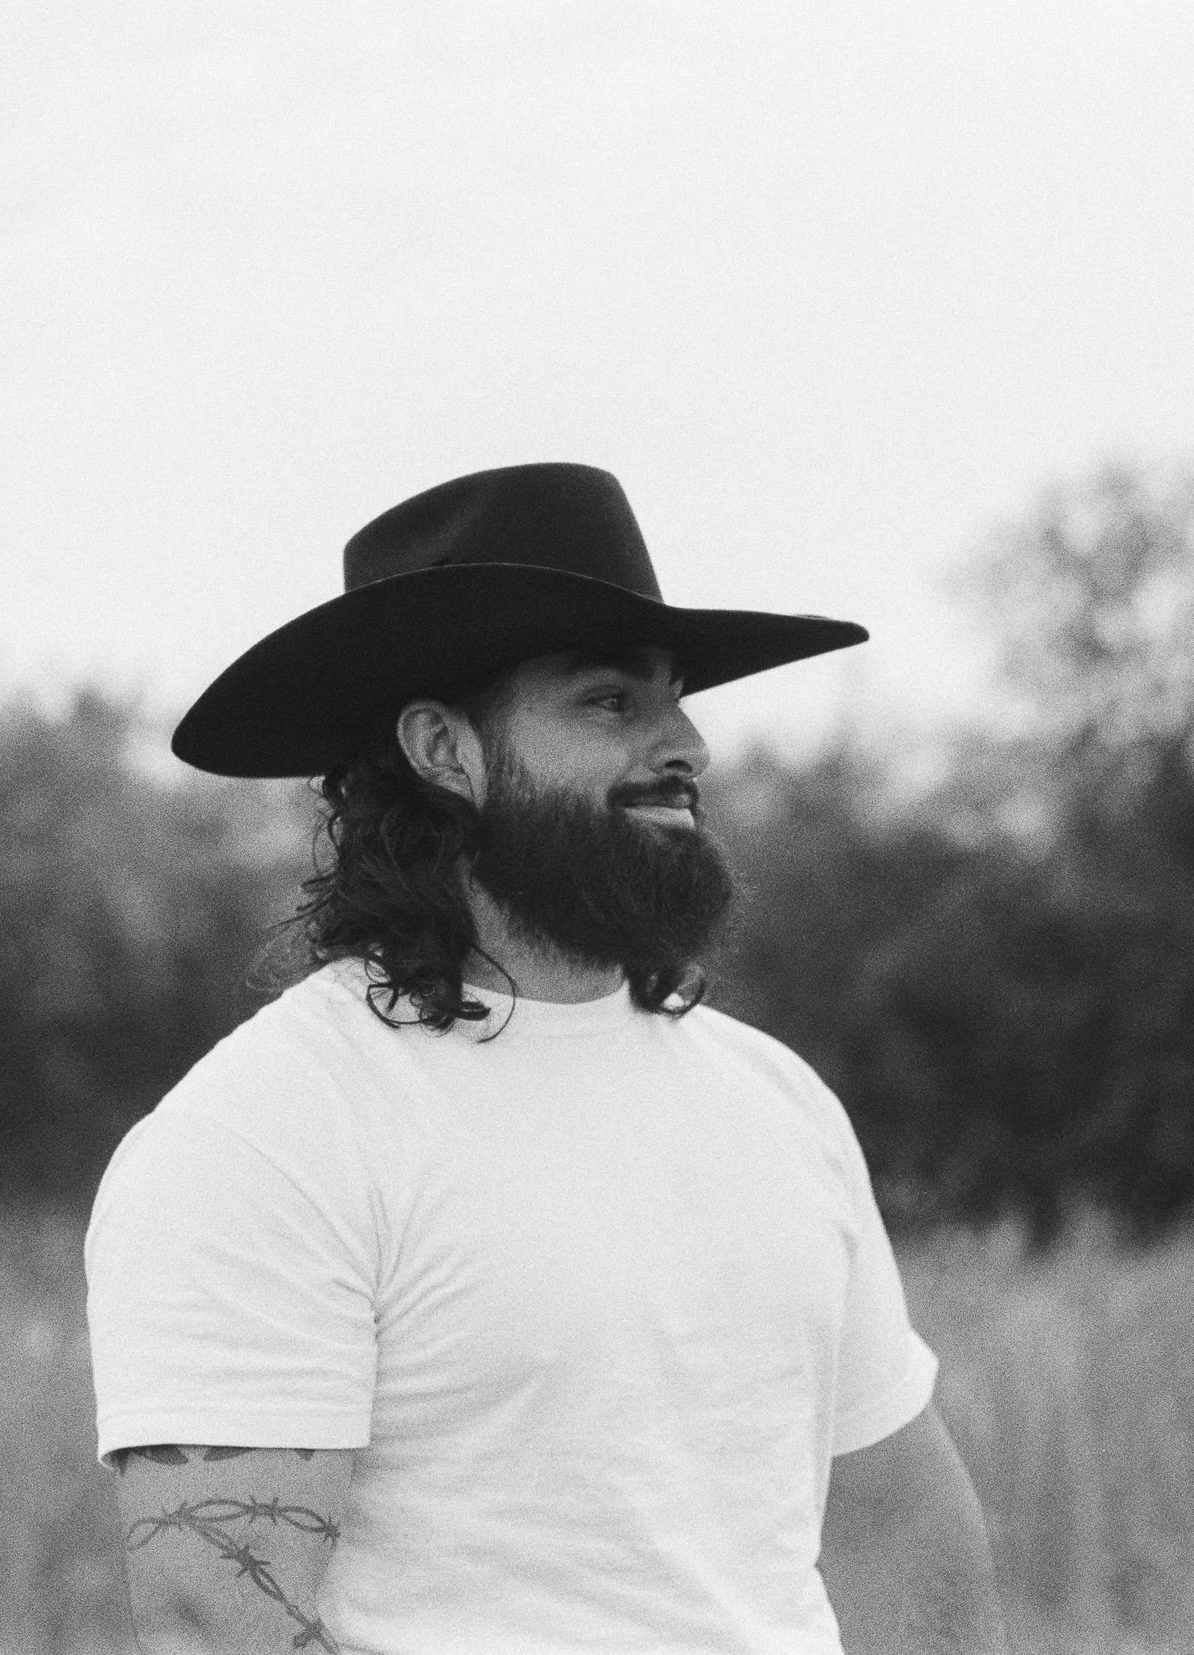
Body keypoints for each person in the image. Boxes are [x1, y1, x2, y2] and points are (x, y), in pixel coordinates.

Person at [85, 463, 1005, 1654]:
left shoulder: (775, 1101)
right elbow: (217, 1623)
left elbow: (896, 1525)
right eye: (609, 704)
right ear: (443, 749)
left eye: (675, 701)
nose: (687, 744)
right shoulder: (267, 1131)